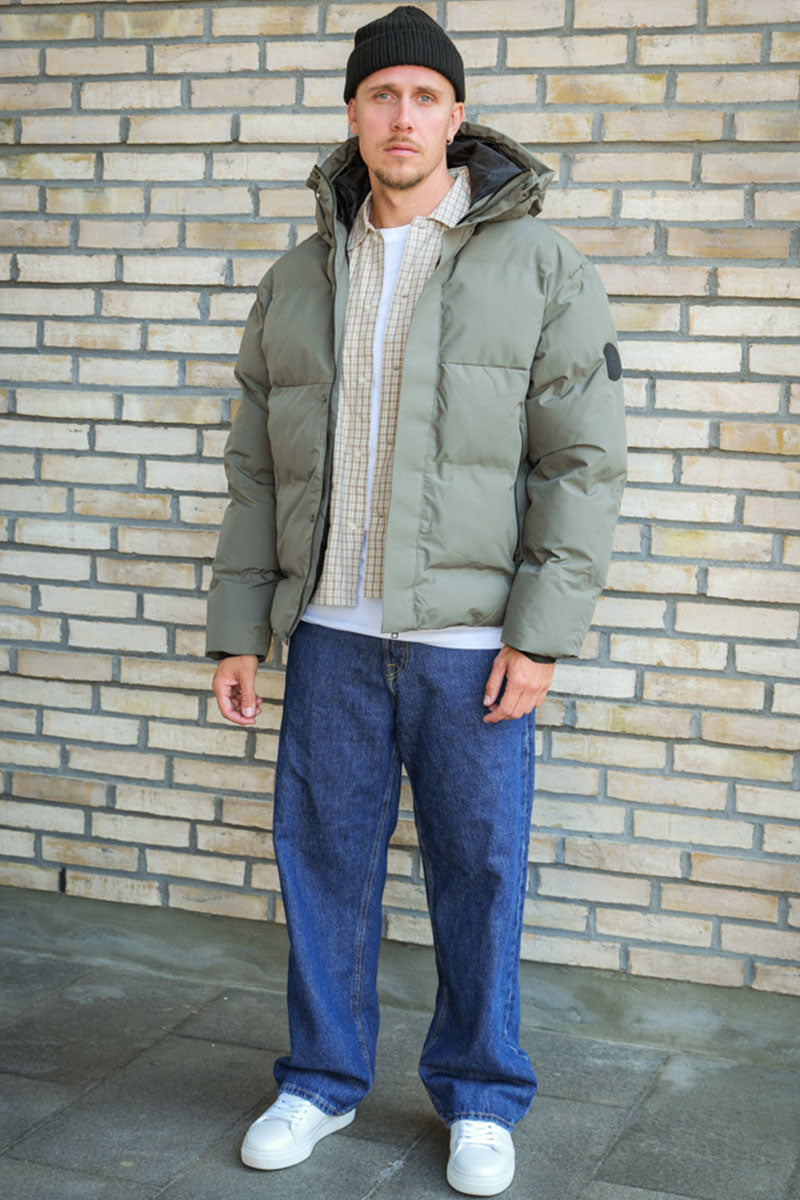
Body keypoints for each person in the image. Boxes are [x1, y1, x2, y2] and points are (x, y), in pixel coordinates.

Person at [206, 7, 627, 1195]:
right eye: (380, 94)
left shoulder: (539, 265)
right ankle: (318, 1081)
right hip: (328, 638)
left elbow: (580, 466)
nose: (402, 116)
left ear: (455, 116)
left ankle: (480, 1096)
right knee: (321, 867)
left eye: (423, 96)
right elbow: (256, 473)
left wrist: (538, 640)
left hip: (469, 647)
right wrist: (238, 632)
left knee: (477, 873)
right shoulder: (298, 277)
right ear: (352, 113)